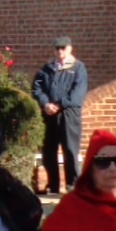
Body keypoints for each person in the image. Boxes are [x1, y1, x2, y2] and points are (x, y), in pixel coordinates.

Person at [32, 37, 89, 193]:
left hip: (69, 114)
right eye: (57, 48)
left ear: (70, 48)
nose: (60, 51)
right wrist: (45, 104)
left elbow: (78, 93)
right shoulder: (47, 68)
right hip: (49, 114)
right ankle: (53, 185)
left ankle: (73, 185)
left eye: (63, 48)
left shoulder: (78, 68)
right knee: (48, 151)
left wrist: (59, 104)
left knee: (70, 149)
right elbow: (37, 88)